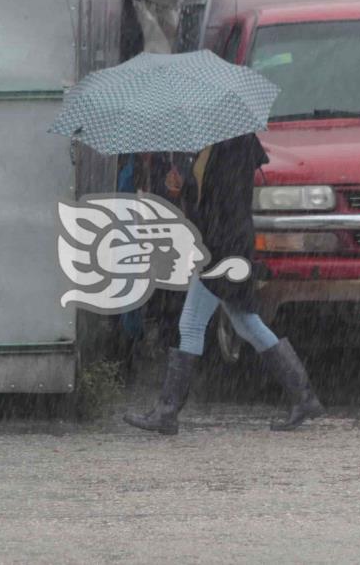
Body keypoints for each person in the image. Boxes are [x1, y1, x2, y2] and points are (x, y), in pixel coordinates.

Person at [124, 133, 324, 434]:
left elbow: (225, 201)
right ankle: (304, 396)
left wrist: (189, 189)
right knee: (246, 323)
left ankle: (167, 411)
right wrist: (182, 187)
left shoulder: (232, 145)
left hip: (224, 248)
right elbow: (209, 198)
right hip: (222, 245)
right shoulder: (211, 145)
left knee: (192, 324)